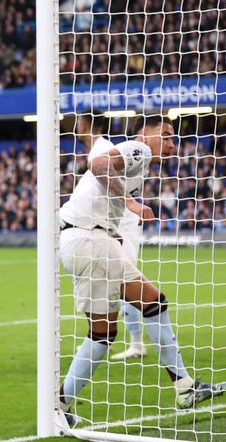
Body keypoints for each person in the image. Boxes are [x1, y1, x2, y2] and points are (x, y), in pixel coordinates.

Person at [58, 114, 226, 426]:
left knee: (119, 324)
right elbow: (98, 165)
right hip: (89, 241)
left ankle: (183, 387)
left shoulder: (141, 162)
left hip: (90, 240)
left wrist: (113, 230)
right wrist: (131, 203)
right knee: (131, 315)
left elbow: (97, 191)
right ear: (144, 134)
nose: (171, 144)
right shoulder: (139, 149)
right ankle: (60, 405)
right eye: (165, 135)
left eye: (172, 138)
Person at [74, 111, 149, 360]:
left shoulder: (103, 149)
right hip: (110, 224)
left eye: (78, 122)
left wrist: (113, 226)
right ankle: (104, 338)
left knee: (123, 281)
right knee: (107, 281)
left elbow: (113, 187)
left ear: (86, 124)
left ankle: (135, 343)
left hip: (122, 223)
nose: (75, 126)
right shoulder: (96, 149)